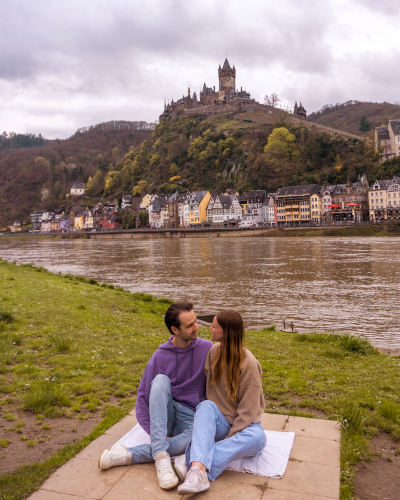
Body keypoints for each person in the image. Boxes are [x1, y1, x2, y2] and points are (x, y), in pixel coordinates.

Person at [98, 301, 213, 490]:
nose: (196, 328)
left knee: (197, 438)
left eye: (195, 321)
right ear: (175, 330)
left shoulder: (207, 349)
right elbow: (143, 398)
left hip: (191, 418)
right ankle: (161, 457)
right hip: (166, 415)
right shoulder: (160, 356)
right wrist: (155, 433)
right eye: (190, 325)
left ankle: (126, 454)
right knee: (159, 380)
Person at [176, 310, 266, 495]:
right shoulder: (213, 352)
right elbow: (206, 392)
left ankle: (194, 465)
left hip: (245, 426)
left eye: (214, 326)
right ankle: (199, 470)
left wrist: (229, 439)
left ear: (226, 331)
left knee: (259, 438)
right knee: (206, 406)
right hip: (220, 422)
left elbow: (248, 413)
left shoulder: (249, 363)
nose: (210, 327)